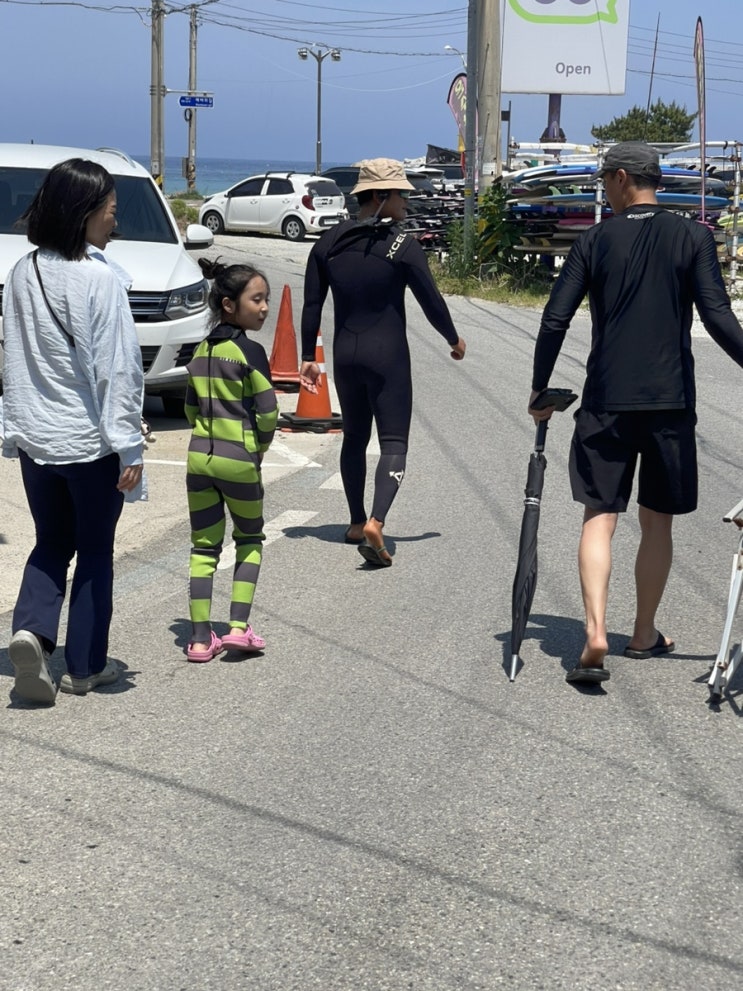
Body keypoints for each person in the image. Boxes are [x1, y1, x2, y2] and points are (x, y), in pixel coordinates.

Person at [529, 141, 743, 685]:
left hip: (606, 399)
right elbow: (717, 315)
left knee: (599, 516)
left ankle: (595, 631)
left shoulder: (595, 240)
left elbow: (555, 318)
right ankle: (644, 632)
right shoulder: (693, 236)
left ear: (622, 178)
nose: (604, 189)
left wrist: (540, 389)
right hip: (670, 401)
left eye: (605, 179)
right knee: (657, 521)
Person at [2, 158, 144, 704]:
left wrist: (13, 426)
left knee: (51, 541)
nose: (114, 221)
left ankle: (32, 632)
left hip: (37, 439)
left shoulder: (23, 271)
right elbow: (117, 370)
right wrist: (128, 445)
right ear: (83, 212)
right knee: (94, 551)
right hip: (89, 444)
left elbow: (13, 354)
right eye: (110, 210)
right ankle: (85, 667)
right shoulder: (99, 279)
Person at [300, 158, 466, 567]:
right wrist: (453, 339)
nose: (407, 200)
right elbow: (432, 301)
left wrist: (307, 357)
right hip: (387, 357)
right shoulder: (402, 246)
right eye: (401, 193)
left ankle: (356, 522)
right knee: (393, 442)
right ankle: (377, 521)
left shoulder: (327, 244)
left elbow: (311, 305)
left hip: (346, 356)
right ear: (378, 196)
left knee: (354, 438)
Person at [184, 259, 279, 661]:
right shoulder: (250, 352)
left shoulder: (200, 351)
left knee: (204, 547)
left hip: (198, 461)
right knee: (250, 539)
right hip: (239, 459)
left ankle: (199, 639)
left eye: (266, 299)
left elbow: (190, 409)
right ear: (229, 305)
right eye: (256, 299)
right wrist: (258, 449)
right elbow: (268, 412)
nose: (264, 307)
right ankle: (238, 628)